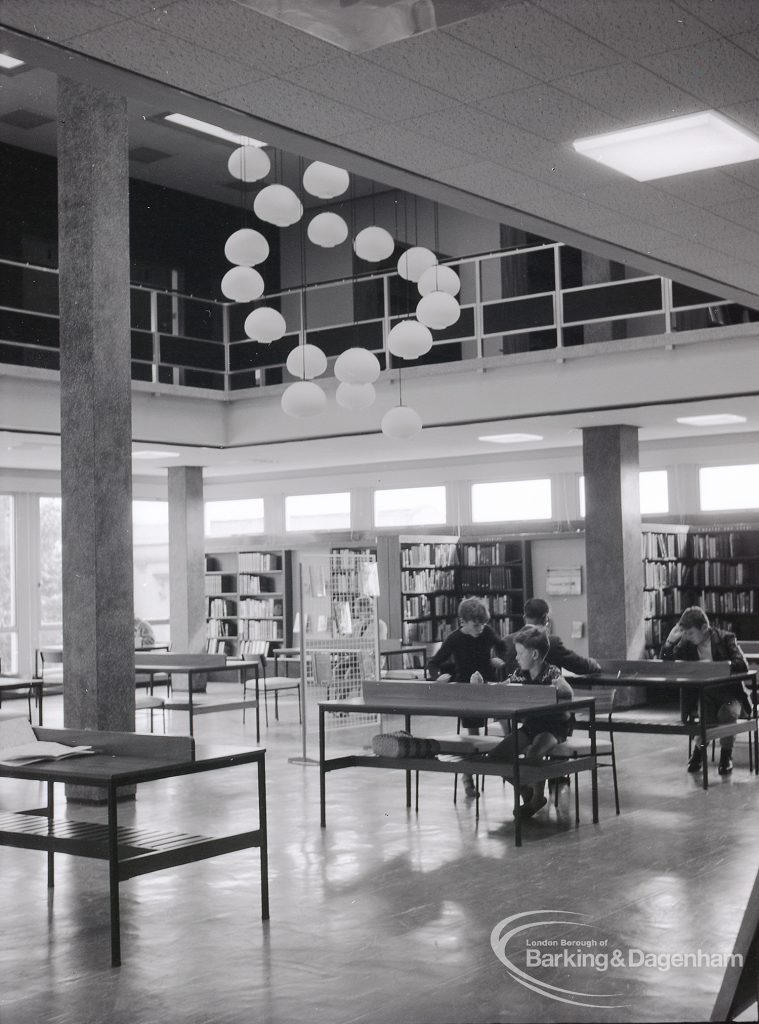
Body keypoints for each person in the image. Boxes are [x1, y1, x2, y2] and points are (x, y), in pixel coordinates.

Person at [483, 626, 574, 820]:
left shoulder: (551, 672)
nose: (516, 657)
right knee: (496, 756)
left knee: (534, 753)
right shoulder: (520, 674)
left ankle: (537, 799)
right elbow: (502, 688)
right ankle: (525, 788)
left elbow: (568, 692)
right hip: (531, 726)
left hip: (553, 727)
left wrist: (548, 691)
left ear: (534, 654)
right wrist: (483, 685)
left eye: (520, 653)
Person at [427, 596, 509, 798]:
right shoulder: (455, 638)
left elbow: (503, 647)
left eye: (483, 622)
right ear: (463, 620)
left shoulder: (487, 632)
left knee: (508, 727)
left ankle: (510, 769)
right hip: (467, 690)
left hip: (489, 687)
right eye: (476, 623)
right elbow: (434, 663)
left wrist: (498, 659)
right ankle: (468, 778)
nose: (480, 627)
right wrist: (439, 678)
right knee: (473, 738)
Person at [660, 606, 750, 776]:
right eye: (684, 633)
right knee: (706, 718)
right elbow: (667, 665)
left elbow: (741, 664)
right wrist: (670, 642)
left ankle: (725, 756)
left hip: (730, 695)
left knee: (727, 713)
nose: (686, 637)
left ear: (704, 628)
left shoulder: (725, 638)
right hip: (705, 694)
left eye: (690, 633)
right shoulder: (687, 644)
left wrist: (714, 668)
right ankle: (699, 754)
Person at [502, 598, 601, 677]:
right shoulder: (552, 642)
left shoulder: (506, 641)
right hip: (546, 698)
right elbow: (579, 666)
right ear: (546, 618)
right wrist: (593, 664)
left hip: (514, 698)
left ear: (524, 618)